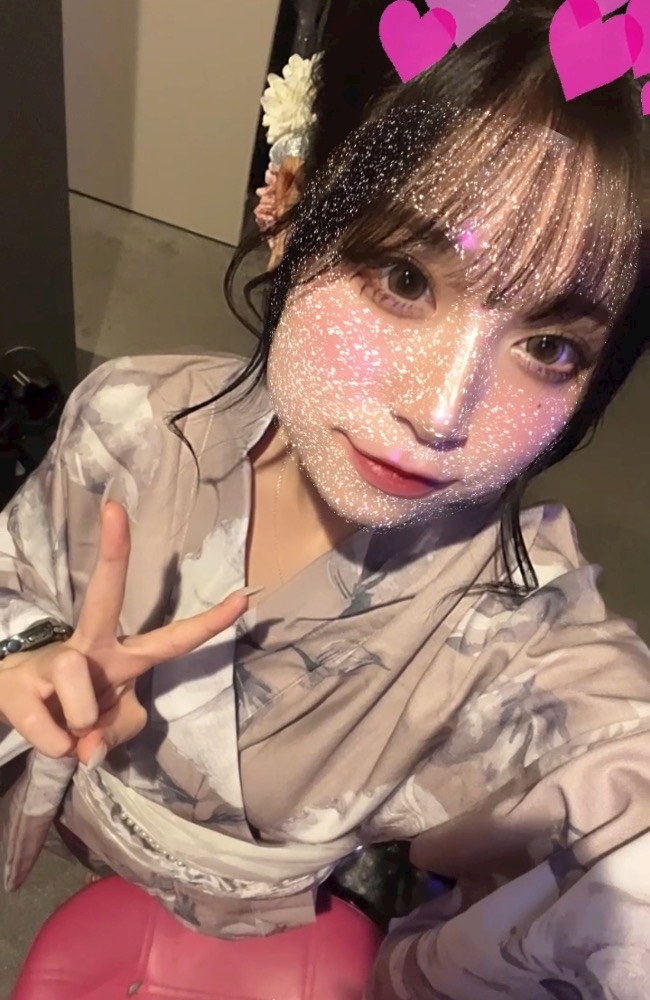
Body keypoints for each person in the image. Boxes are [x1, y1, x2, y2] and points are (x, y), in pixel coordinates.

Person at [1, 0, 649, 993]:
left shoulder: (516, 624)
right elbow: (16, 571)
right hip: (87, 831)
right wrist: (32, 650)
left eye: (550, 346)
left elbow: (618, 802)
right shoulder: (131, 418)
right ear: (289, 208)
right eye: (404, 277)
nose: (440, 413)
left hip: (273, 920)